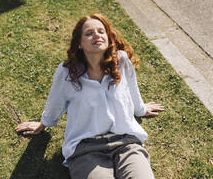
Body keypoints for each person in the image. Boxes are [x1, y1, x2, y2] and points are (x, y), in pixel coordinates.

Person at [16, 13, 164, 179]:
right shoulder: (67, 72)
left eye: (101, 31)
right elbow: (55, 102)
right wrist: (44, 124)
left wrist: (141, 109)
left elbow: (131, 90)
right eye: (89, 33)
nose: (97, 35)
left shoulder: (121, 62)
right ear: (79, 43)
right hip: (86, 149)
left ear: (108, 37)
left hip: (126, 143)